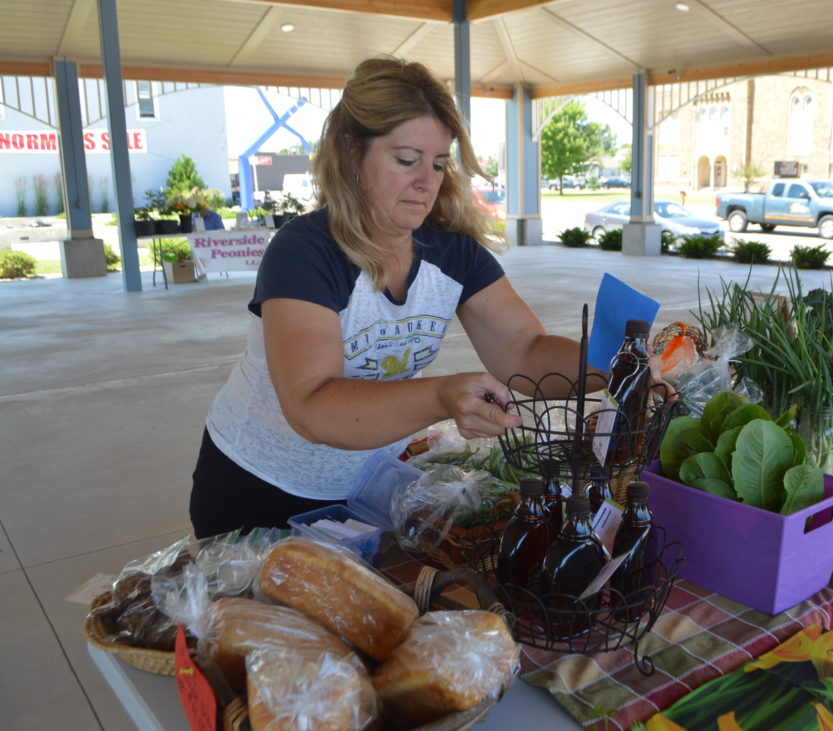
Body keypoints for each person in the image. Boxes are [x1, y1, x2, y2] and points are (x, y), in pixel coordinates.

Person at [189, 57, 589, 539]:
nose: (427, 180)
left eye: (439, 163)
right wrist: (442, 394)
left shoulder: (451, 251)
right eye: (406, 160)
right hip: (257, 490)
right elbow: (313, 406)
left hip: (366, 487)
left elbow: (524, 351)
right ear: (351, 153)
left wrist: (619, 363)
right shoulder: (304, 251)